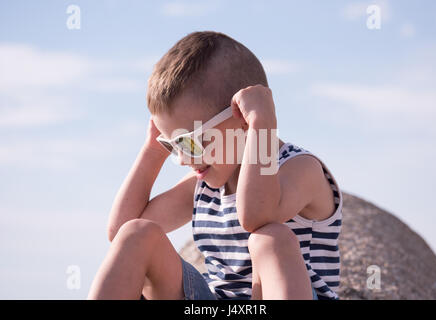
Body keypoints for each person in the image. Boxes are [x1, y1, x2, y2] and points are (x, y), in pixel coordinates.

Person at [87, 31, 342, 300]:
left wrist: (263, 126)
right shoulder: (203, 187)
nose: (184, 159)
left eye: (189, 143)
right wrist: (152, 150)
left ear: (243, 119)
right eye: (173, 146)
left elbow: (257, 217)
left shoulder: (301, 170)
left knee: (270, 239)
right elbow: (121, 230)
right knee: (137, 233)